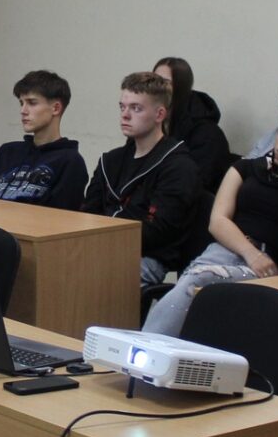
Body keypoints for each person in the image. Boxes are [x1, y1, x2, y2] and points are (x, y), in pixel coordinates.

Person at [140, 105, 278, 339]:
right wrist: (252, 254)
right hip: (225, 252)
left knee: (195, 282)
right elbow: (218, 221)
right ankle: (149, 350)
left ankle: (147, 350)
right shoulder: (246, 169)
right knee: (195, 282)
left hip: (267, 271)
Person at [83, 71, 203, 288]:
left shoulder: (178, 166)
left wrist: (103, 236)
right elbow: (87, 212)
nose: (125, 115)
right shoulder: (110, 161)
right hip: (100, 247)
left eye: (136, 108)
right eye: (122, 107)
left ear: (159, 114)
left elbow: (159, 230)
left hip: (145, 257)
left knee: (83, 279)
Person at [0, 68, 88, 209]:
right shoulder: (7, 151)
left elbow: (60, 215)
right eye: (21, 103)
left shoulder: (70, 161)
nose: (23, 111)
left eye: (32, 103)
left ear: (56, 108)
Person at [154, 56, 232, 190]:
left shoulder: (208, 134)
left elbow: (194, 184)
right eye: (153, 81)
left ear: (181, 87)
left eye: (164, 83)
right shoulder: (149, 122)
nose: (155, 88)